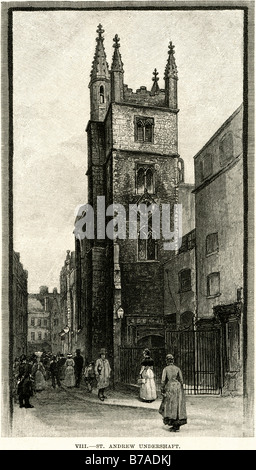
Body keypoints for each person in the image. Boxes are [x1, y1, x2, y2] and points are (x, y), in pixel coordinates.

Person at [159, 353, 187, 432]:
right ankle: (177, 424)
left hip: (170, 386)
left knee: (170, 405)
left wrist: (162, 389)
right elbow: (181, 380)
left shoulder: (165, 369)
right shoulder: (177, 368)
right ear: (173, 360)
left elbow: (163, 380)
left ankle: (172, 422)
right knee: (178, 405)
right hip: (177, 387)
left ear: (167, 361)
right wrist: (180, 387)